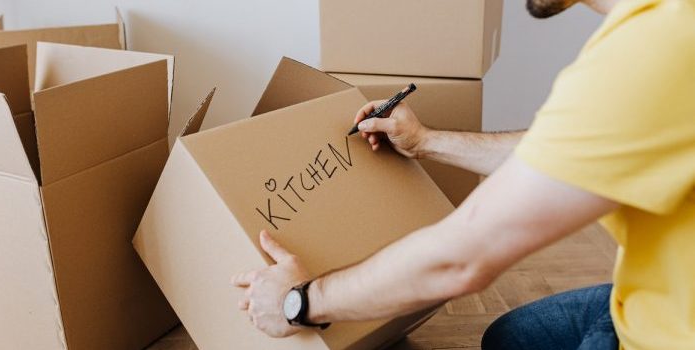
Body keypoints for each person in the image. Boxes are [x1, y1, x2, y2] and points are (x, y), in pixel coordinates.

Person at [231, 0, 695, 348]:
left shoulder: (659, 46)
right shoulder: (667, 24)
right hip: (666, 288)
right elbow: (563, 156)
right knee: (511, 338)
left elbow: (463, 258)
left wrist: (300, 301)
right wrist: (424, 141)